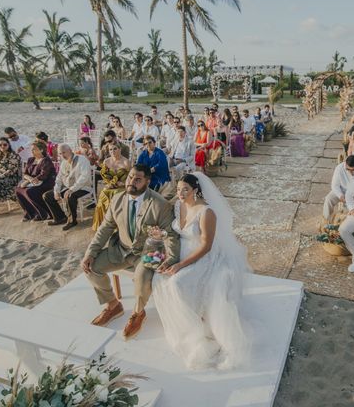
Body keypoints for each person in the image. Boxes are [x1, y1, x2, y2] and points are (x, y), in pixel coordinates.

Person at [152, 173, 250, 369]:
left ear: (195, 190)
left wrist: (181, 265)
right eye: (178, 189)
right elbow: (174, 231)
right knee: (158, 277)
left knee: (177, 283)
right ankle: (186, 322)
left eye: (185, 190)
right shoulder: (179, 205)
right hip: (180, 252)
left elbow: (206, 246)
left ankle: (198, 326)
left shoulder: (207, 212)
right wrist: (162, 236)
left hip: (202, 257)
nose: (180, 193)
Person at [81, 165, 181, 339]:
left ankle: (138, 312)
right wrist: (90, 253)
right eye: (130, 177)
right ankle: (113, 305)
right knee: (91, 267)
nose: (131, 182)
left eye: (137, 179)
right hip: (119, 249)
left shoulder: (160, 204)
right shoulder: (117, 199)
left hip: (147, 253)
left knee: (142, 278)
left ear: (147, 182)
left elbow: (170, 235)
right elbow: (104, 229)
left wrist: (171, 259)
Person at [42, 144, 93, 230]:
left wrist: (71, 189)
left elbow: (84, 177)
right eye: (60, 154)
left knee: (70, 196)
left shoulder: (82, 160)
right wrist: (56, 191)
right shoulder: (63, 163)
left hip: (83, 187)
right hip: (67, 187)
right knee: (47, 196)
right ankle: (60, 218)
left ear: (70, 150)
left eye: (64, 152)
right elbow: (59, 178)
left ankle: (72, 221)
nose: (62, 155)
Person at [92, 144, 130, 230]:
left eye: (115, 149)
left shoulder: (126, 162)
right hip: (110, 186)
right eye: (110, 150)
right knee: (103, 195)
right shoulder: (106, 161)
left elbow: (130, 178)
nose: (112, 151)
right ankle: (103, 224)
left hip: (122, 186)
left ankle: (116, 225)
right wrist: (109, 183)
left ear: (120, 149)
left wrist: (123, 183)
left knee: (116, 194)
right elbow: (105, 176)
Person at [15, 142, 56, 221]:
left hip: (45, 183)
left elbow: (43, 175)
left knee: (30, 192)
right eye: (32, 149)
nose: (32, 151)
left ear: (41, 150)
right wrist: (30, 180)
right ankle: (30, 213)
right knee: (18, 190)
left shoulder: (46, 160)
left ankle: (42, 214)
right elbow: (25, 173)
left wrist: (29, 181)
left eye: (34, 149)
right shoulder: (31, 160)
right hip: (32, 182)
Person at [323, 155, 354, 222]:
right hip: (342, 190)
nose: (350, 172)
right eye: (348, 169)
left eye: (353, 170)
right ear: (345, 164)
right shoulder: (340, 168)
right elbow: (334, 185)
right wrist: (340, 195)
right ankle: (326, 221)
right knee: (328, 199)